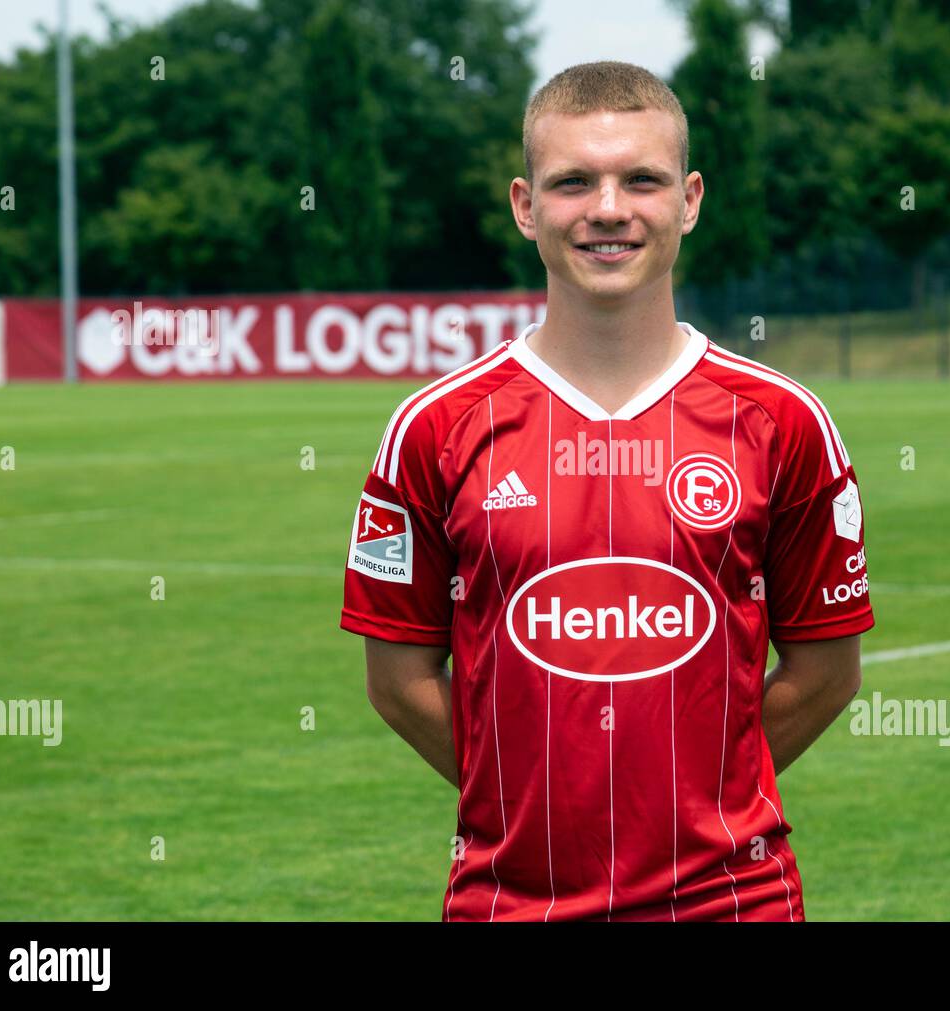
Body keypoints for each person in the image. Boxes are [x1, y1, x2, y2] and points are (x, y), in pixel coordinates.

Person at [340, 60, 874, 921]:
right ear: (525, 205)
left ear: (691, 200)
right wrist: (533, 806)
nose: (609, 208)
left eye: (643, 179)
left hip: (733, 902)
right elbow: (399, 681)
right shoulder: (434, 428)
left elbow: (826, 671)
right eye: (573, 182)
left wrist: (698, 801)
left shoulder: (783, 421)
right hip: (510, 903)